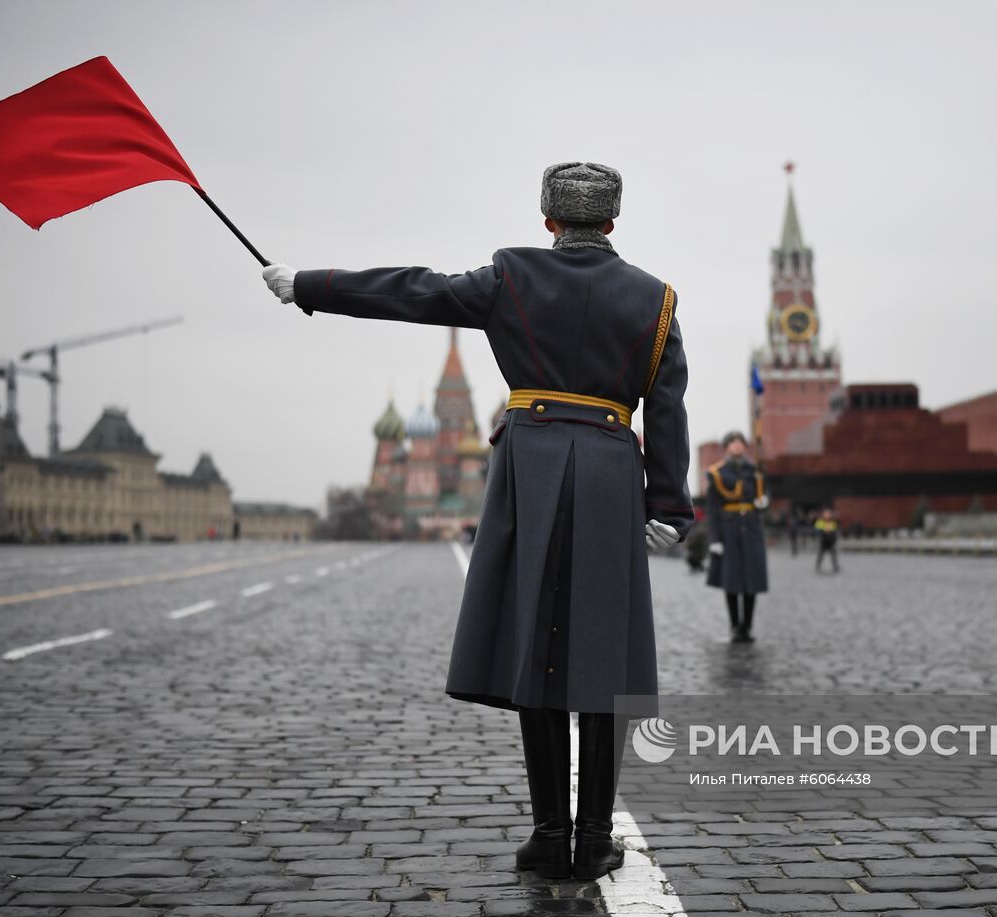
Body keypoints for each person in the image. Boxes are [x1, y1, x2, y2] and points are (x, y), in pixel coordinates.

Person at [261, 162, 694, 880]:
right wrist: (670, 505)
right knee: (604, 654)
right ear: (612, 222)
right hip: (615, 476)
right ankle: (594, 839)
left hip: (529, 470)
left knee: (539, 644)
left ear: (548, 220)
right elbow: (669, 408)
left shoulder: (510, 276)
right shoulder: (657, 299)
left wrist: (307, 284)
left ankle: (550, 832)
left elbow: (413, 290)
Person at [705, 432, 769, 642]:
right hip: (729, 531)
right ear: (726, 447)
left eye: (740, 442)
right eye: (733, 443)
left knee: (752, 580)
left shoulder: (755, 472)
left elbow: (763, 494)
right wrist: (714, 540)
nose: (737, 446)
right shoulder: (717, 473)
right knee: (731, 580)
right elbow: (713, 510)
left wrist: (763, 501)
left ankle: (747, 626)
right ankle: (735, 625)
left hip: (751, 530)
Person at [813, 507, 839, 574]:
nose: (827, 515)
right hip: (823, 541)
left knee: (833, 555)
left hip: (830, 541)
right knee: (820, 555)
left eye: (828, 514)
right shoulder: (820, 522)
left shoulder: (833, 522)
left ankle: (835, 566)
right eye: (826, 514)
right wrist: (822, 534)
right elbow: (817, 531)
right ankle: (818, 566)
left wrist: (833, 538)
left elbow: (835, 531)